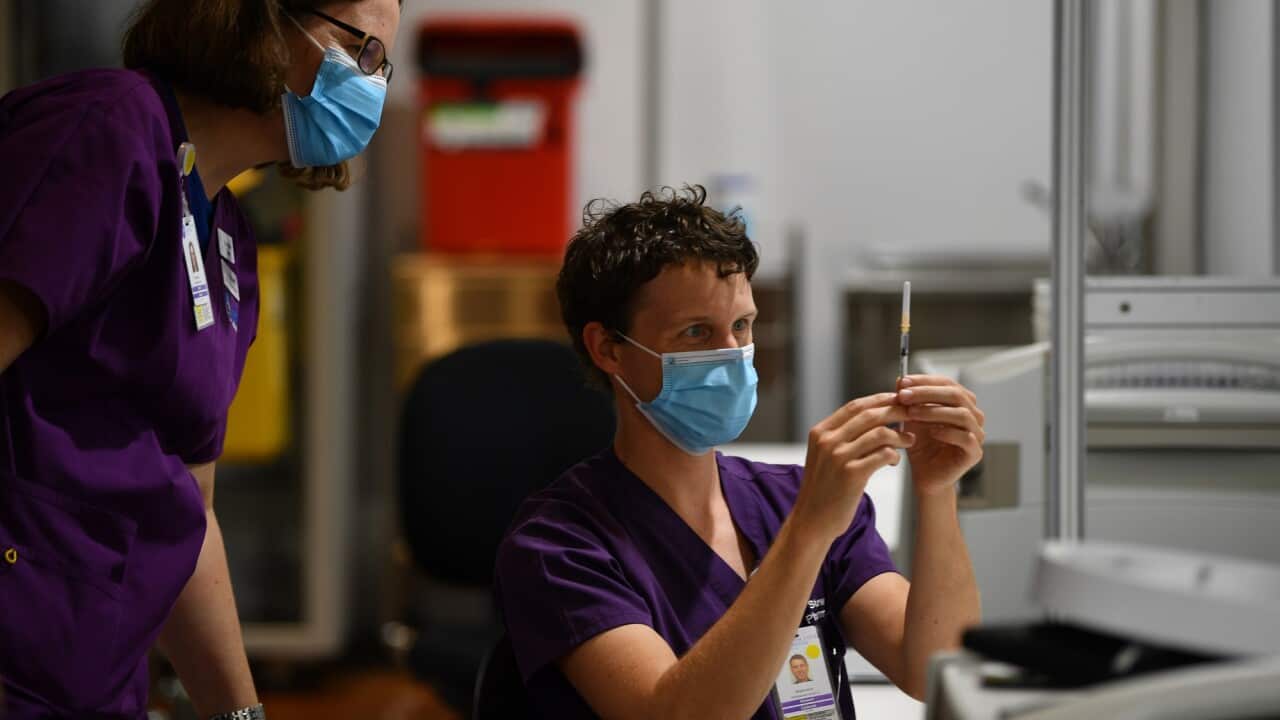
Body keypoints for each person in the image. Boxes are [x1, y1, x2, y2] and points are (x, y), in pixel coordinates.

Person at [0, 1, 399, 717]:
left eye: (382, 68)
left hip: (89, 674)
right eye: (364, 52)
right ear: (265, 20)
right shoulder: (109, 130)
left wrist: (239, 714)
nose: (373, 86)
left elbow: (187, 508)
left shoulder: (228, 241)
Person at [495, 186, 984, 719]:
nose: (731, 355)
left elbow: (932, 667)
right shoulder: (560, 545)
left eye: (742, 326)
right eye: (697, 331)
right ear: (608, 348)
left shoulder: (789, 497)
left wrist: (937, 490)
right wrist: (807, 531)